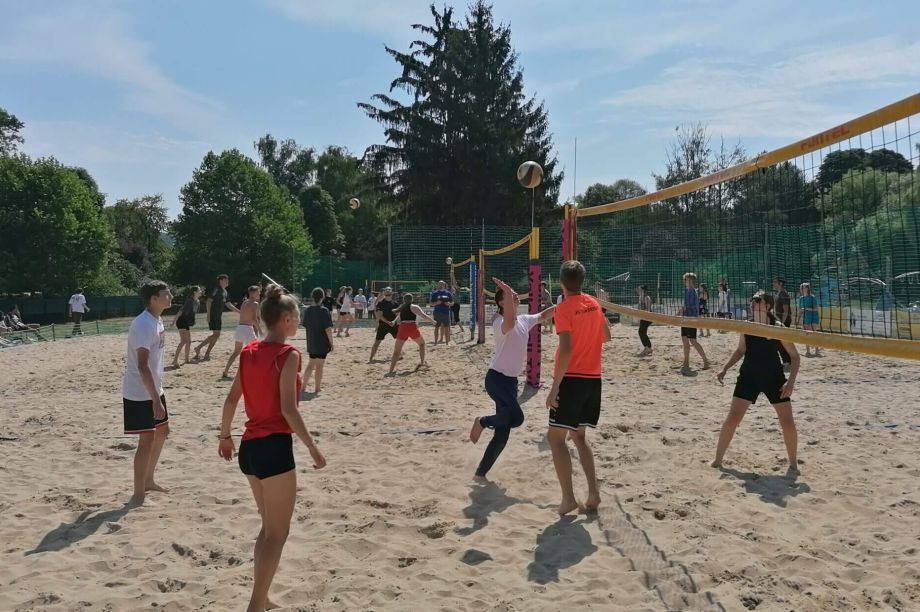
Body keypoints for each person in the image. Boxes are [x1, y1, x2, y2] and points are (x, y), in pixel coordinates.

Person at [218, 284, 326, 612]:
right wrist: (312, 446)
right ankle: (255, 604)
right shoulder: (288, 354)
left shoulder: (249, 351)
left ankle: (262, 598)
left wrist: (224, 436)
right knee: (277, 533)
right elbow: (288, 409)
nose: (299, 321)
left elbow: (232, 399)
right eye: (297, 317)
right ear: (286, 319)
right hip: (274, 448)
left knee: (268, 530)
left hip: (249, 448)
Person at [469, 278, 555, 478]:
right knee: (517, 418)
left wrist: (566, 304)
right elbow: (509, 322)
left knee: (503, 433)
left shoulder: (524, 319)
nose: (515, 296)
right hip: (496, 379)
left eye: (514, 295)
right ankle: (482, 422)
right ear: (502, 302)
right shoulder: (500, 322)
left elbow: (543, 315)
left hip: (510, 382)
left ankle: (481, 472)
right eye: (510, 296)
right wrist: (507, 292)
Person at [546, 260, 610, 516]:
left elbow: (566, 350)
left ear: (561, 282)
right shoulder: (594, 303)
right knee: (579, 437)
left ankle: (568, 499)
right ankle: (593, 493)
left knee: (555, 439)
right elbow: (607, 336)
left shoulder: (563, 309)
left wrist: (554, 387)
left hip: (571, 379)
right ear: (582, 281)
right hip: (593, 379)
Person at [712, 291, 800, 473]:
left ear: (767, 306)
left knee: (787, 422)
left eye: (757, 300)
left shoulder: (777, 327)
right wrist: (725, 368)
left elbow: (795, 357)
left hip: (773, 378)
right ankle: (717, 460)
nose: (752, 302)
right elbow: (740, 350)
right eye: (751, 300)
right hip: (749, 377)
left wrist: (790, 382)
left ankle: (793, 464)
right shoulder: (747, 326)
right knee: (732, 419)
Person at [122, 280, 173, 506]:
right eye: (166, 294)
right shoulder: (143, 324)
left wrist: (157, 394)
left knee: (162, 431)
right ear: (153, 299)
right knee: (147, 440)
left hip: (153, 387)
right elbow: (142, 366)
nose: (170, 296)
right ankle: (138, 494)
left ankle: (149, 480)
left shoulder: (156, 320)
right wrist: (155, 400)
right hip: (140, 391)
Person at [194, 275, 240, 361]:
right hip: (213, 315)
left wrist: (239, 312)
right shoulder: (216, 289)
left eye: (227, 280)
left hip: (218, 316)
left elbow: (228, 304)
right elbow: (209, 301)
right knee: (216, 335)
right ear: (220, 281)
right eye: (225, 280)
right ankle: (199, 348)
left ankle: (206, 353)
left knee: (216, 335)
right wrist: (208, 314)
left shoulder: (225, 292)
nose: (227, 282)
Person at [388, 293, 435, 375]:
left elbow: (399, 316)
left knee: (396, 351)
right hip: (412, 327)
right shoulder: (414, 307)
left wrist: (393, 322)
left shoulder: (402, 307)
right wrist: (433, 321)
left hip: (402, 328)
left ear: (404, 300)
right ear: (412, 299)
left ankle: (391, 371)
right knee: (422, 344)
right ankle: (422, 363)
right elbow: (424, 316)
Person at [222, 286, 263, 379]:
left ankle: (226, 371)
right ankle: (254, 372)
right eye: (258, 292)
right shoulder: (255, 304)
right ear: (252, 293)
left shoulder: (245, 302)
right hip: (247, 329)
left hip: (239, 328)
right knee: (255, 351)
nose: (259, 294)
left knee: (236, 352)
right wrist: (260, 330)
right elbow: (254, 319)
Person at [302, 287, 334, 393]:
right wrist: (332, 343)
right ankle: (317, 388)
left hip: (311, 342)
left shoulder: (308, 310)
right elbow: (328, 329)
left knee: (310, 364)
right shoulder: (324, 311)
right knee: (319, 366)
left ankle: (303, 386)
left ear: (312, 296)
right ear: (323, 297)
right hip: (322, 343)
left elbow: (306, 325)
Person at [679, 272, 710, 376]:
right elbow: (685, 305)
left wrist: (684, 309)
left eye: (686, 279)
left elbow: (693, 307)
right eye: (684, 279)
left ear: (691, 280)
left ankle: (706, 361)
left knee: (693, 341)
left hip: (691, 319)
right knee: (684, 340)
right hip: (685, 319)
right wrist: (682, 311)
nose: (684, 281)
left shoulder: (693, 292)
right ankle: (686, 362)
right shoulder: (686, 290)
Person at [171, 286, 201, 368]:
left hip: (186, 322)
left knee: (189, 341)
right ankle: (175, 360)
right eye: (199, 290)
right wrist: (174, 321)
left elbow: (193, 313)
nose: (201, 292)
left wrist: (193, 320)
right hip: (181, 321)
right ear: (194, 292)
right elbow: (181, 311)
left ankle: (187, 359)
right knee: (183, 341)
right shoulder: (189, 301)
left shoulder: (197, 301)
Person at [369, 287, 398, 361]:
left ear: (392, 292)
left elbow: (398, 315)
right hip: (383, 325)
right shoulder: (380, 303)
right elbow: (379, 315)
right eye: (386, 290)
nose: (388, 290)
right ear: (384, 292)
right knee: (377, 342)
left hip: (393, 325)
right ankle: (371, 358)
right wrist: (388, 322)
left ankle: (399, 355)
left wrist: (394, 321)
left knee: (399, 341)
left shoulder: (395, 303)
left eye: (389, 289)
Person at [773, 277, 793, 372]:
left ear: (780, 283)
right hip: (779, 321)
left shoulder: (784, 294)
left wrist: (782, 324)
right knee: (779, 343)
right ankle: (787, 362)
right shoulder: (779, 293)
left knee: (782, 343)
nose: (773, 284)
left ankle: (787, 362)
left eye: (775, 282)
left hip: (784, 322)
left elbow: (786, 311)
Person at [797, 282, 821, 358]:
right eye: (800, 288)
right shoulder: (801, 299)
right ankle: (808, 351)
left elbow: (816, 309)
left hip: (813, 318)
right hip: (805, 318)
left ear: (807, 288)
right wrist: (798, 319)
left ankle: (817, 351)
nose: (800, 289)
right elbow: (800, 310)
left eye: (802, 288)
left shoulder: (812, 297)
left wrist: (806, 309)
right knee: (806, 335)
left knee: (813, 334)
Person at [637, 285, 652, 357]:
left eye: (640, 290)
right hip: (643, 317)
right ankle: (648, 347)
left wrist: (641, 312)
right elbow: (639, 308)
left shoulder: (647, 297)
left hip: (648, 317)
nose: (638, 291)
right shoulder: (640, 298)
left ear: (643, 291)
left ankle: (648, 347)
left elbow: (648, 310)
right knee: (642, 332)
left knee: (641, 332)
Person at [448, 268, 464, 335]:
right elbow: (452, 283)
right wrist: (451, 276)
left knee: (456, 318)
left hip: (456, 305)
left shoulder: (458, 289)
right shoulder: (453, 289)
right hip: (451, 304)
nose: (455, 285)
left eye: (456, 284)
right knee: (448, 317)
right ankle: (449, 330)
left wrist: (453, 275)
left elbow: (454, 283)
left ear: (458, 285)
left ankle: (462, 329)